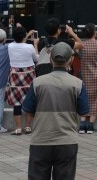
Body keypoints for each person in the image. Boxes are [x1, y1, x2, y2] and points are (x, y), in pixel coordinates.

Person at [22, 42, 90, 180]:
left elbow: (28, 110)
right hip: (67, 140)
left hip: (41, 140)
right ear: (70, 60)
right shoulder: (77, 84)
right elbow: (84, 111)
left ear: (51, 59)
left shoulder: (37, 82)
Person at [8, 26, 39, 135]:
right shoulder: (30, 47)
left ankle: (18, 128)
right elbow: (36, 59)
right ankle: (28, 127)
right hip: (28, 74)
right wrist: (35, 44)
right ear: (24, 36)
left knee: (17, 102)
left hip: (15, 75)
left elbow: (19, 43)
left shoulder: (10, 46)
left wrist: (26, 35)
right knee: (29, 100)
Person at [77, 23, 97, 133]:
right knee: (96, 100)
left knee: (84, 99)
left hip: (84, 75)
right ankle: (90, 126)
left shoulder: (81, 45)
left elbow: (77, 53)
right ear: (95, 33)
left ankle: (82, 125)